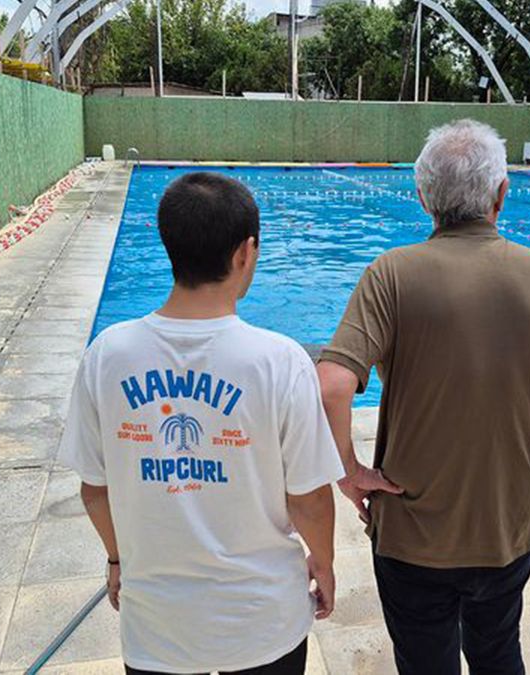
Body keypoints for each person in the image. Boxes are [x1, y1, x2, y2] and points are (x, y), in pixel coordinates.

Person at [316, 120, 530, 675]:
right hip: (507, 526)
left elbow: (331, 384)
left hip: (411, 533)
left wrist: (349, 470)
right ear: (502, 193)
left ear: (423, 196)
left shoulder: (390, 275)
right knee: (498, 653)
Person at [59, 172, 345, 674]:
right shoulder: (280, 361)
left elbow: (94, 490)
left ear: (169, 244)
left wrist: (117, 559)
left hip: (157, 629)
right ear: (245, 253)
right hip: (263, 622)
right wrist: (323, 562)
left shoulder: (107, 355)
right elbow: (308, 498)